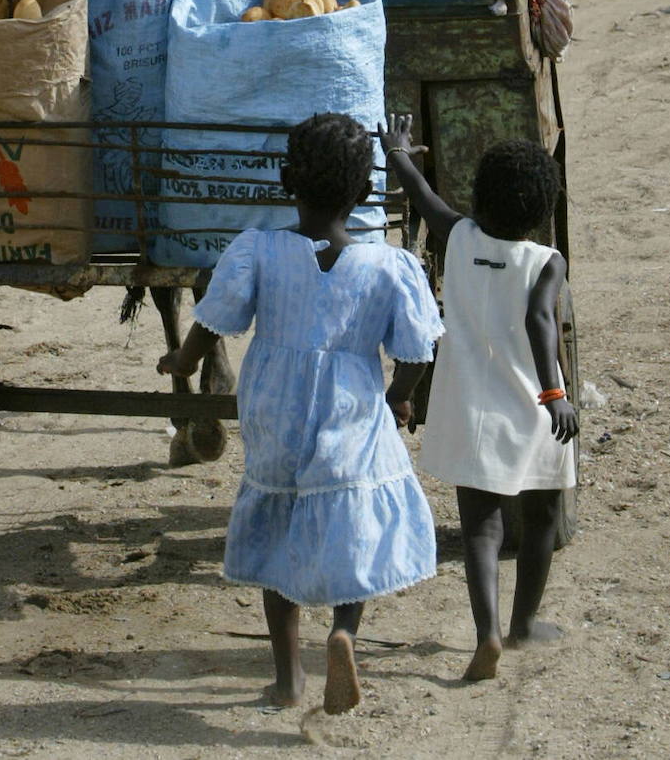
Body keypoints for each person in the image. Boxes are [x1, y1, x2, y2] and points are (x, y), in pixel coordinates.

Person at [157, 113, 443, 714]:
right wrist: (397, 397)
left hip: (273, 408)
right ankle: (344, 632)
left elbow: (212, 322)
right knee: (352, 518)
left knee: (276, 522)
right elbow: (418, 348)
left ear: (288, 181)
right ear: (363, 193)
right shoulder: (388, 266)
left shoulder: (257, 249)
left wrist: (179, 362)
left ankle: (288, 680)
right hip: (351, 409)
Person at [381, 116, 578, 684]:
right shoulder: (547, 262)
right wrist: (554, 394)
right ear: (542, 210)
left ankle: (486, 632)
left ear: (482, 198)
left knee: (481, 529)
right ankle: (524, 625)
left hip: (469, 403)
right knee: (540, 516)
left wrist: (399, 153)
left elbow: (424, 197)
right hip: (536, 405)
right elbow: (541, 322)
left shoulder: (461, 237)